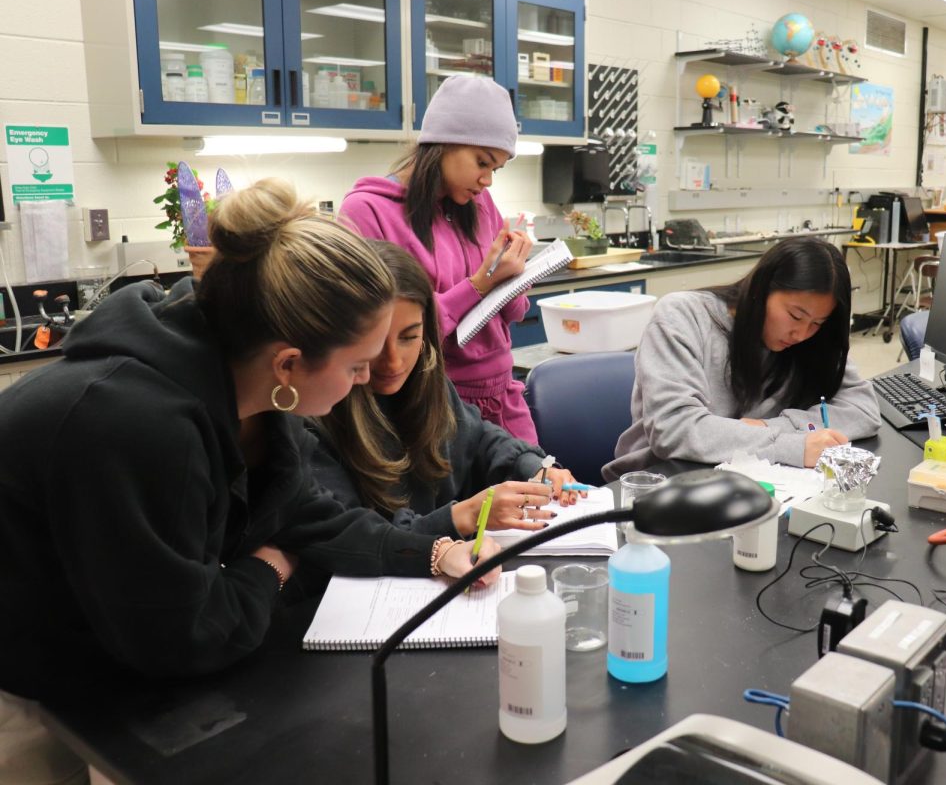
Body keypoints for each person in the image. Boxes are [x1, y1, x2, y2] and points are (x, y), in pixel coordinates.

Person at [0, 179, 499, 784]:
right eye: (357, 365)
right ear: (288, 363)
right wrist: (270, 563)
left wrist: (437, 553)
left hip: (111, 655)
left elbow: (306, 514)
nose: (371, 378)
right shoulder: (135, 424)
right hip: (28, 693)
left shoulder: (247, 380)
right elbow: (189, 637)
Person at [308, 241, 581, 546]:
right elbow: (348, 539)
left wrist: (534, 469)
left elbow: (479, 440)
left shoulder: (425, 380)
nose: (395, 361)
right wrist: (464, 515)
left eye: (410, 337)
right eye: (376, 342)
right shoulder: (318, 412)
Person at [340, 76, 538, 443]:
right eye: (482, 162)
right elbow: (381, 331)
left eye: (495, 168)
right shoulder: (368, 211)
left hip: (502, 397)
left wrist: (514, 279)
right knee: (465, 503)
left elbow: (513, 316)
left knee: (540, 493)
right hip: (428, 408)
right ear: (444, 142)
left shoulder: (479, 206)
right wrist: (479, 285)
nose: (488, 180)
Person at [603, 237, 882, 479]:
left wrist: (771, 427)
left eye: (817, 323)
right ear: (761, 290)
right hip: (663, 477)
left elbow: (863, 410)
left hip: (751, 478)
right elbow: (675, 430)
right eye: (795, 316)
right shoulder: (683, 316)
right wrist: (794, 445)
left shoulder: (812, 340)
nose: (801, 333)